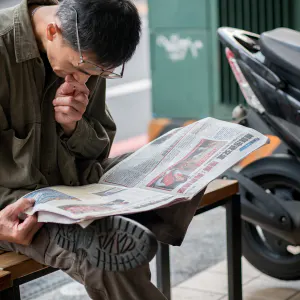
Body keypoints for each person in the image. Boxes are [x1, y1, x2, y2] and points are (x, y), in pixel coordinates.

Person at [0, 0, 206, 299]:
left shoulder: (90, 54)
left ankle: (120, 228)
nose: (81, 78)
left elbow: (98, 149)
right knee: (114, 256)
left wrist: (73, 127)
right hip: (18, 209)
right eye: (78, 67)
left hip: (76, 183)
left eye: (97, 72)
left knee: (188, 163)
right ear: (53, 30)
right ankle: (117, 233)